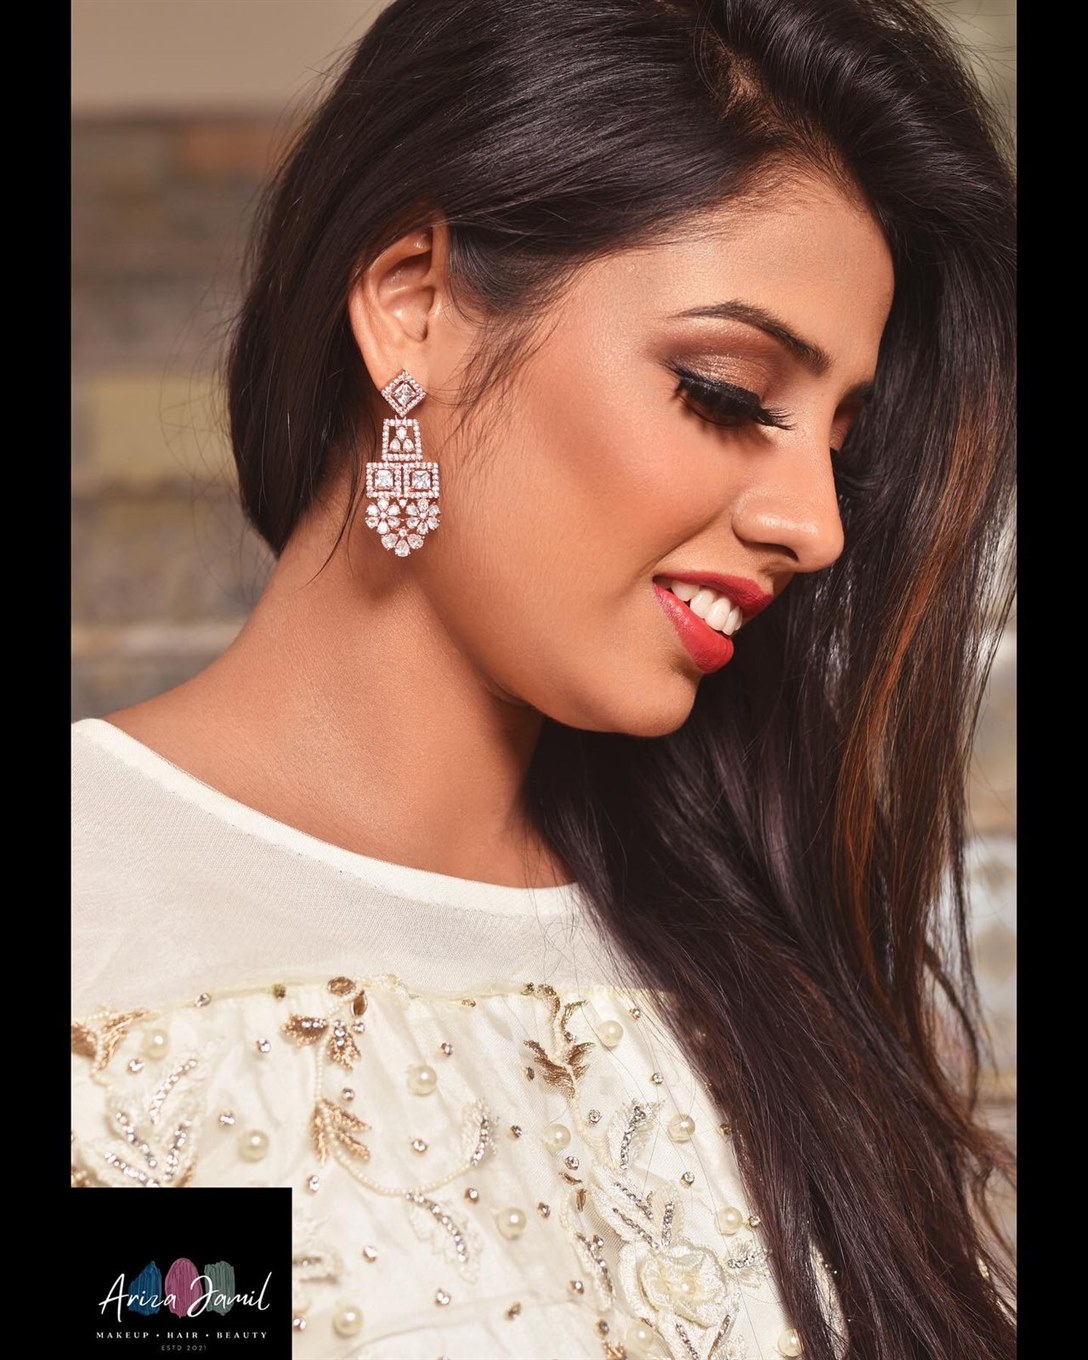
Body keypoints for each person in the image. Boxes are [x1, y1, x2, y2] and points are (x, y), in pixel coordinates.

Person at [70, 1, 1016, 1356]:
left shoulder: (760, 959)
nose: (816, 526)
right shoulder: (105, 921)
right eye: (727, 390)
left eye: (839, 445)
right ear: (413, 305)